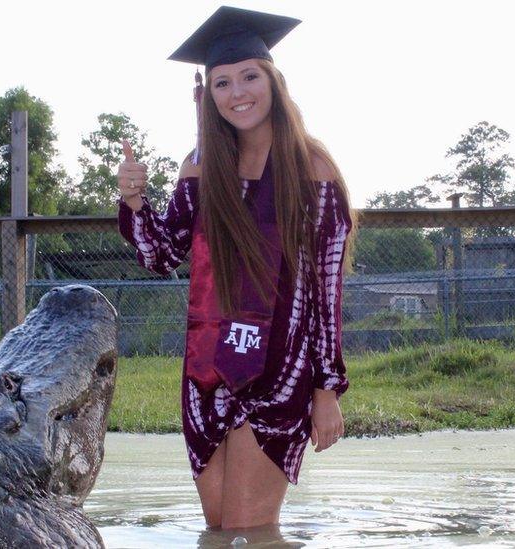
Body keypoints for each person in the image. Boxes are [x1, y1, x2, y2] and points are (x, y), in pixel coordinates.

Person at [116, 6, 358, 531]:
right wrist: (135, 202)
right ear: (209, 95)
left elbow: (326, 293)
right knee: (219, 530)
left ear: (273, 80)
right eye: (222, 82)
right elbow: (160, 255)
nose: (237, 92)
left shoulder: (312, 172)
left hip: (279, 371)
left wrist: (327, 389)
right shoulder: (202, 167)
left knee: (250, 530)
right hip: (206, 375)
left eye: (250, 75)